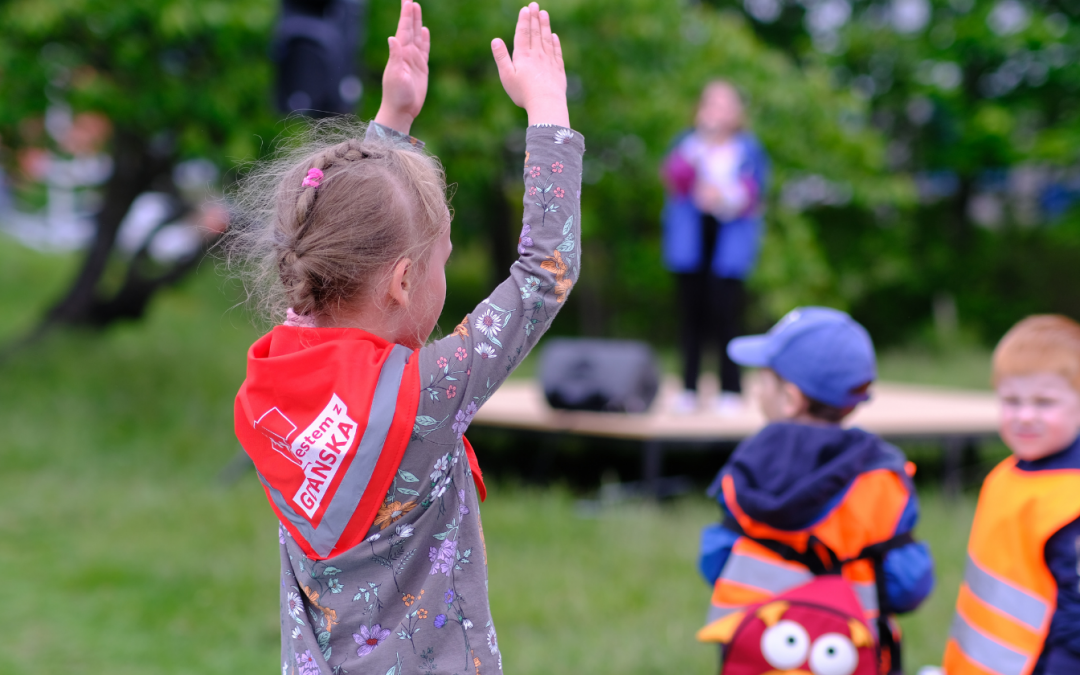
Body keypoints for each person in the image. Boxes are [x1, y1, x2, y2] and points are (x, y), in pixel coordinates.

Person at [229, 3, 583, 673]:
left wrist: (390, 124)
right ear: (400, 281)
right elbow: (543, 274)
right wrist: (549, 113)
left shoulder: (278, 375)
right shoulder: (426, 392)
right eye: (442, 259)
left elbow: (341, 230)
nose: (444, 274)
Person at [698, 307, 934, 672]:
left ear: (790, 398)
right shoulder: (882, 478)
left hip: (757, 649)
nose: (757, 388)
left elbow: (715, 559)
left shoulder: (748, 465)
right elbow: (909, 584)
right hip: (847, 652)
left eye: (764, 379)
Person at [942, 316, 1080, 675]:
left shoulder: (1071, 500)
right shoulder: (1005, 475)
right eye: (1011, 401)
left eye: (1044, 402)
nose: (1025, 416)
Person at [660, 81, 769, 415]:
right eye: (712, 104)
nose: (718, 112)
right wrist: (700, 149)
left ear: (736, 113)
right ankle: (689, 387)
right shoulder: (687, 144)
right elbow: (674, 179)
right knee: (690, 315)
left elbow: (755, 192)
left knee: (726, 315)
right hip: (691, 241)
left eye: (725, 105)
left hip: (729, 240)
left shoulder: (747, 149)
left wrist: (724, 197)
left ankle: (731, 389)